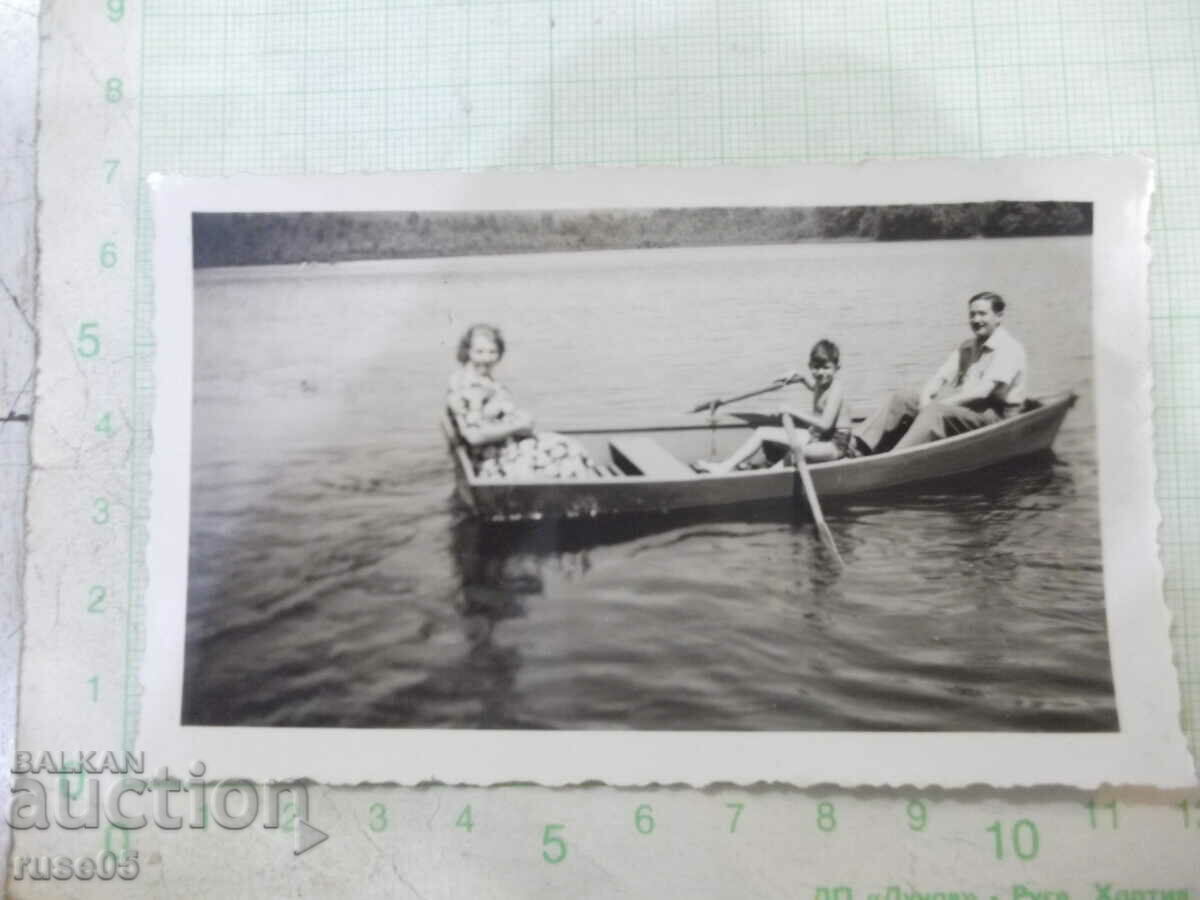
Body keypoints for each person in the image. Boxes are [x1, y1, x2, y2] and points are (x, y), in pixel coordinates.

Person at [853, 291, 1026, 455]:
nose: (976, 319)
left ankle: (895, 458)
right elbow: (939, 377)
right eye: (972, 314)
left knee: (936, 412)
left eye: (982, 314)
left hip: (997, 418)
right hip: (969, 411)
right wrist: (925, 400)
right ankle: (858, 446)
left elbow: (983, 392)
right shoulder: (967, 346)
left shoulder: (1009, 348)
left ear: (999, 316)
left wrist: (942, 404)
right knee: (903, 398)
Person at [446, 323, 606, 480]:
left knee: (567, 444)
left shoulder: (481, 378)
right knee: (567, 451)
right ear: (467, 351)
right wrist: (518, 426)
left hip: (506, 447)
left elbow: (492, 418)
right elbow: (474, 436)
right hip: (495, 461)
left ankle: (587, 489)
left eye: (492, 352)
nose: (487, 358)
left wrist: (520, 422)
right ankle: (590, 496)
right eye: (479, 352)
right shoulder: (468, 387)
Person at [696, 339, 849, 474]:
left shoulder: (836, 388)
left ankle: (768, 477)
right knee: (762, 432)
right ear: (809, 366)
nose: (821, 373)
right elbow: (815, 389)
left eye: (826, 367)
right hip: (816, 436)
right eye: (816, 367)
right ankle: (724, 467)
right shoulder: (820, 382)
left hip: (835, 444)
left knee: (797, 452)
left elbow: (825, 424)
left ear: (837, 367)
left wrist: (792, 410)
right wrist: (800, 378)